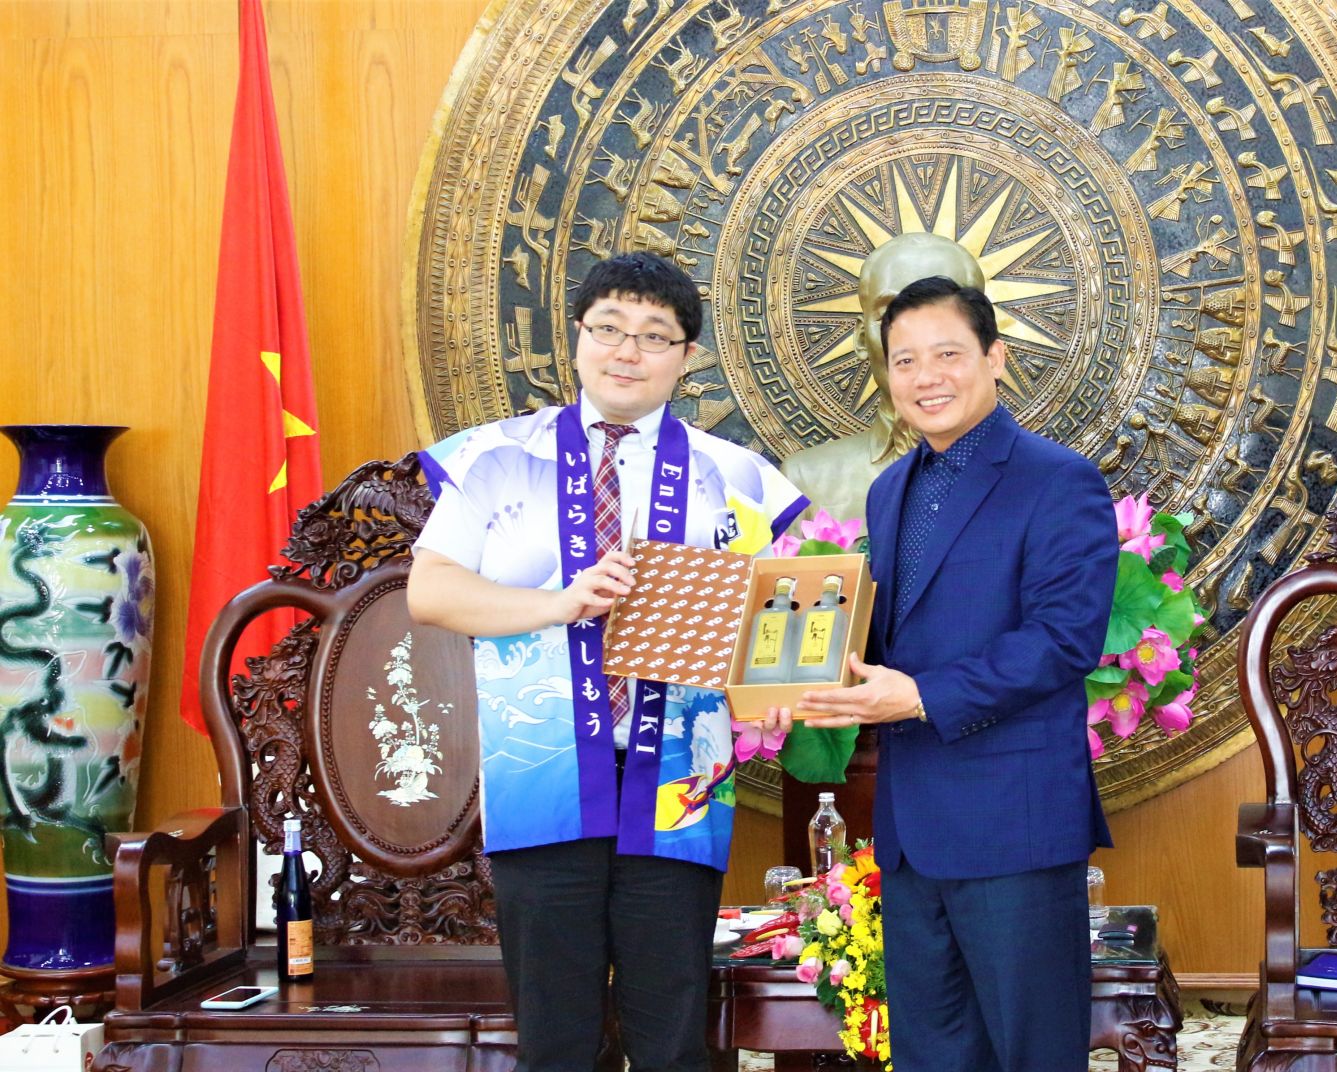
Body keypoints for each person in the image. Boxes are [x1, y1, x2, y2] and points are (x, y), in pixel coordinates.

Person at [408, 251, 807, 1072]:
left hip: (679, 784)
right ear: (579, 339)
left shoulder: (737, 477)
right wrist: (559, 603)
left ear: (687, 357)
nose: (628, 351)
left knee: (673, 1037)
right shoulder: (496, 457)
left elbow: (790, 611)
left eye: (655, 336)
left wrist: (774, 690)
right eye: (610, 330)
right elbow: (432, 593)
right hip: (542, 772)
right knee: (555, 1041)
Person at [778, 276, 1118, 1071]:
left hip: (1016, 824)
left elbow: (1064, 639)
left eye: (947, 354)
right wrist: (817, 681)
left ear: (994, 359)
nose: (925, 376)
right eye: (904, 361)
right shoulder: (892, 488)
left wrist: (922, 695)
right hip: (911, 831)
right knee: (934, 1054)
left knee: (1032, 1051)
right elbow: (890, 635)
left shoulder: (1057, 478)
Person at [781, 233, 985, 530]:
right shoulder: (806, 481)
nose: (916, 340)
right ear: (863, 340)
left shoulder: (1043, 479)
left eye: (943, 316)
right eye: (890, 315)